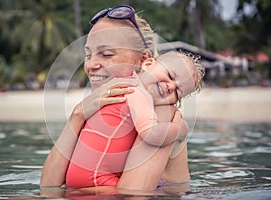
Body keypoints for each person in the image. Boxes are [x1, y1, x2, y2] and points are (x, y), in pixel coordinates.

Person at [40, 5, 201, 193]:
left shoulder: (162, 113)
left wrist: (75, 192)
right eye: (88, 54)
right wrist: (78, 115)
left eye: (106, 54)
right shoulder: (102, 107)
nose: (91, 64)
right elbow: (48, 185)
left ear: (143, 60)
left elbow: (133, 193)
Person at [65, 50, 202, 188]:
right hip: (94, 179)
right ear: (148, 64)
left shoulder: (125, 83)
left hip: (81, 174)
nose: (171, 86)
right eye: (170, 75)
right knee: (158, 192)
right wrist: (180, 130)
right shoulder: (137, 93)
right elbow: (151, 134)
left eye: (178, 92)